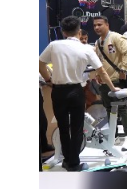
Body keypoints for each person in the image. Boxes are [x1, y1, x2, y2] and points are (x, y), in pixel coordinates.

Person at [39, 15, 119, 171]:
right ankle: (74, 164)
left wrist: (49, 79)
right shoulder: (86, 48)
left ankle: (67, 160)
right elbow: (101, 71)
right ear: (79, 31)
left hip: (58, 91)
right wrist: (113, 88)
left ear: (63, 31)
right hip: (76, 91)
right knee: (77, 128)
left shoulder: (54, 45)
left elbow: (40, 64)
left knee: (63, 127)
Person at [93, 15, 127, 139]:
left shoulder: (116, 37)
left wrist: (123, 69)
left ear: (107, 25)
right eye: (94, 25)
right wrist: (97, 75)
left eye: (99, 24)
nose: (96, 27)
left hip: (117, 80)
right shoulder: (98, 42)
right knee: (108, 109)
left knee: (122, 108)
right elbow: (98, 61)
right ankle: (113, 136)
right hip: (104, 82)